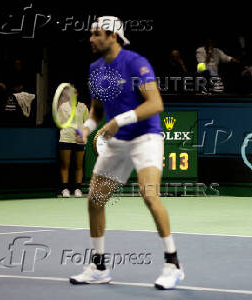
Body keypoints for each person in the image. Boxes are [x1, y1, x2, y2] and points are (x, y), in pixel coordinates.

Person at [69, 16, 184, 289]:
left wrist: (119, 120)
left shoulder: (135, 62)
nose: (91, 38)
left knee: (149, 194)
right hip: (118, 141)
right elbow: (97, 111)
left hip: (146, 137)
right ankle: (98, 267)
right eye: (91, 33)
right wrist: (86, 128)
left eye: (97, 33)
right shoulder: (96, 68)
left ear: (113, 37)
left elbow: (156, 103)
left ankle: (173, 263)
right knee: (95, 199)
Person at [57, 86, 88, 198]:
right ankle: (65, 189)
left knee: (79, 165)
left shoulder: (83, 107)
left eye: (75, 92)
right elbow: (59, 123)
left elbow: (87, 123)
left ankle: (78, 189)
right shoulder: (62, 107)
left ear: (77, 94)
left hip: (79, 139)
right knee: (66, 165)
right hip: (65, 138)